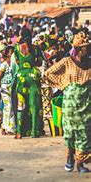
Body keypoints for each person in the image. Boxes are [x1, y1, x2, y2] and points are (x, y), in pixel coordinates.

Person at [43, 31, 90, 173]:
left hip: (86, 105)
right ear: (80, 49)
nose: (88, 49)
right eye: (86, 47)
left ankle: (80, 163)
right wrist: (64, 84)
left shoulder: (89, 63)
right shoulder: (67, 61)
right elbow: (48, 73)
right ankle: (69, 157)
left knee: (85, 133)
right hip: (70, 105)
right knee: (70, 133)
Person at [12, 27, 44, 139]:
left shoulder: (16, 48)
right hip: (33, 77)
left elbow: (16, 61)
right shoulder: (35, 48)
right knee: (34, 105)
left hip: (21, 77)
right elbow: (40, 62)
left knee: (21, 105)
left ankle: (19, 132)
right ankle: (35, 131)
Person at [0, 45, 16, 135]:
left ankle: (7, 126)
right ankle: (7, 127)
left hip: (13, 87)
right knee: (8, 106)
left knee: (12, 107)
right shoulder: (4, 64)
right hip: (5, 87)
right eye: (10, 53)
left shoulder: (15, 63)